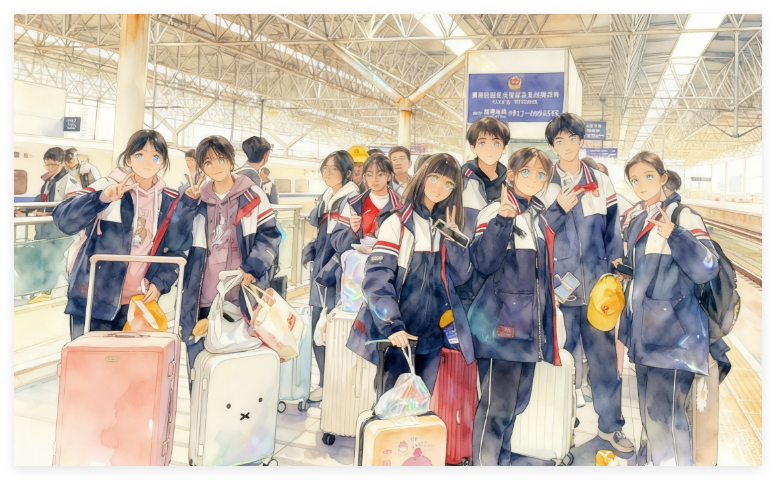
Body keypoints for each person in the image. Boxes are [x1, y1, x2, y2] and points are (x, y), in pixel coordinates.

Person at [540, 113, 633, 453]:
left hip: (596, 289)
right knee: (559, 361)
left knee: (603, 361)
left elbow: (613, 230)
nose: (566, 146)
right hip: (558, 289)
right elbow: (538, 231)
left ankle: (610, 428)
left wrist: (614, 267)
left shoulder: (601, 182)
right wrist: (557, 209)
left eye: (572, 139)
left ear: (581, 141)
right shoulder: (545, 182)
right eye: (559, 141)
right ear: (553, 146)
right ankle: (558, 427)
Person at [619, 152, 719, 466]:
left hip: (674, 339)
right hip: (646, 336)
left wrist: (674, 234)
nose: (641, 184)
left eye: (648, 176)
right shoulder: (640, 219)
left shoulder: (682, 216)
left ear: (663, 178)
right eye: (635, 180)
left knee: (666, 419)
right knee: (650, 415)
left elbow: (707, 267)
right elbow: (646, 275)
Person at [349, 153, 475, 397]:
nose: (440, 187)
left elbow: (460, 278)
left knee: (421, 404)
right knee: (389, 405)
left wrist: (455, 242)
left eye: (449, 183)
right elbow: (377, 278)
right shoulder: (397, 222)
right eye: (434, 178)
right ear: (422, 177)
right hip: (399, 333)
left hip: (432, 337)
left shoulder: (446, 226)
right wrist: (392, 325)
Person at [469, 148, 561, 466]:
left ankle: (502, 460)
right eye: (526, 172)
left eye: (540, 174)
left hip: (527, 331)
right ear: (511, 175)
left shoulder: (537, 217)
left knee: (515, 406)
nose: (534, 179)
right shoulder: (493, 211)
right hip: (500, 330)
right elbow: (482, 262)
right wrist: (501, 223)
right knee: (496, 408)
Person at [53, 130, 192, 339]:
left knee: (128, 360)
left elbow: (176, 249)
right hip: (93, 298)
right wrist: (102, 198)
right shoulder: (105, 186)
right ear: (129, 158)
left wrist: (160, 282)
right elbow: (64, 219)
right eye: (140, 155)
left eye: (155, 157)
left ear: (162, 161)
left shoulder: (169, 201)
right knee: (90, 358)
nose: (148, 162)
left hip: (138, 303)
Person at [177, 135, 282, 369]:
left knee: (240, 366)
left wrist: (253, 267)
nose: (216, 167)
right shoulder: (197, 199)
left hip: (244, 295)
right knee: (201, 367)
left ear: (231, 161)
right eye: (208, 162)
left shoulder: (253, 195)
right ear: (202, 167)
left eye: (221, 159)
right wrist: (187, 205)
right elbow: (176, 240)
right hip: (203, 296)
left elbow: (270, 235)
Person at [302, 150, 361, 403]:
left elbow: (346, 241)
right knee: (319, 326)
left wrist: (328, 263)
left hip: (337, 276)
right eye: (324, 169)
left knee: (331, 329)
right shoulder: (329, 197)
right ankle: (326, 382)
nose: (327, 173)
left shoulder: (352, 199)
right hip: (323, 272)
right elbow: (322, 235)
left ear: (346, 172)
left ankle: (333, 385)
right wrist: (311, 251)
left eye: (333, 169)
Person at [457, 117, 511, 320]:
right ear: (473, 147)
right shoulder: (459, 180)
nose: (489, 149)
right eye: (482, 143)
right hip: (464, 277)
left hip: (501, 278)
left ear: (504, 148)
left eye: (496, 143)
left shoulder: (512, 184)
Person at [332, 153, 402, 253]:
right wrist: (352, 231)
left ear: (389, 176)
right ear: (365, 177)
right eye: (369, 174)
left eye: (380, 174)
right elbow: (337, 242)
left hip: (390, 259)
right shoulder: (354, 204)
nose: (374, 179)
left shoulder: (401, 205)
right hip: (358, 259)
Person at [34, 147, 80, 240]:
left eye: (54, 165)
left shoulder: (69, 182)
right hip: (45, 230)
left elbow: (73, 209)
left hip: (60, 233)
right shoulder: (49, 181)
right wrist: (26, 209)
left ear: (62, 163)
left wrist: (48, 214)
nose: (50, 168)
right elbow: (42, 198)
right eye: (47, 165)